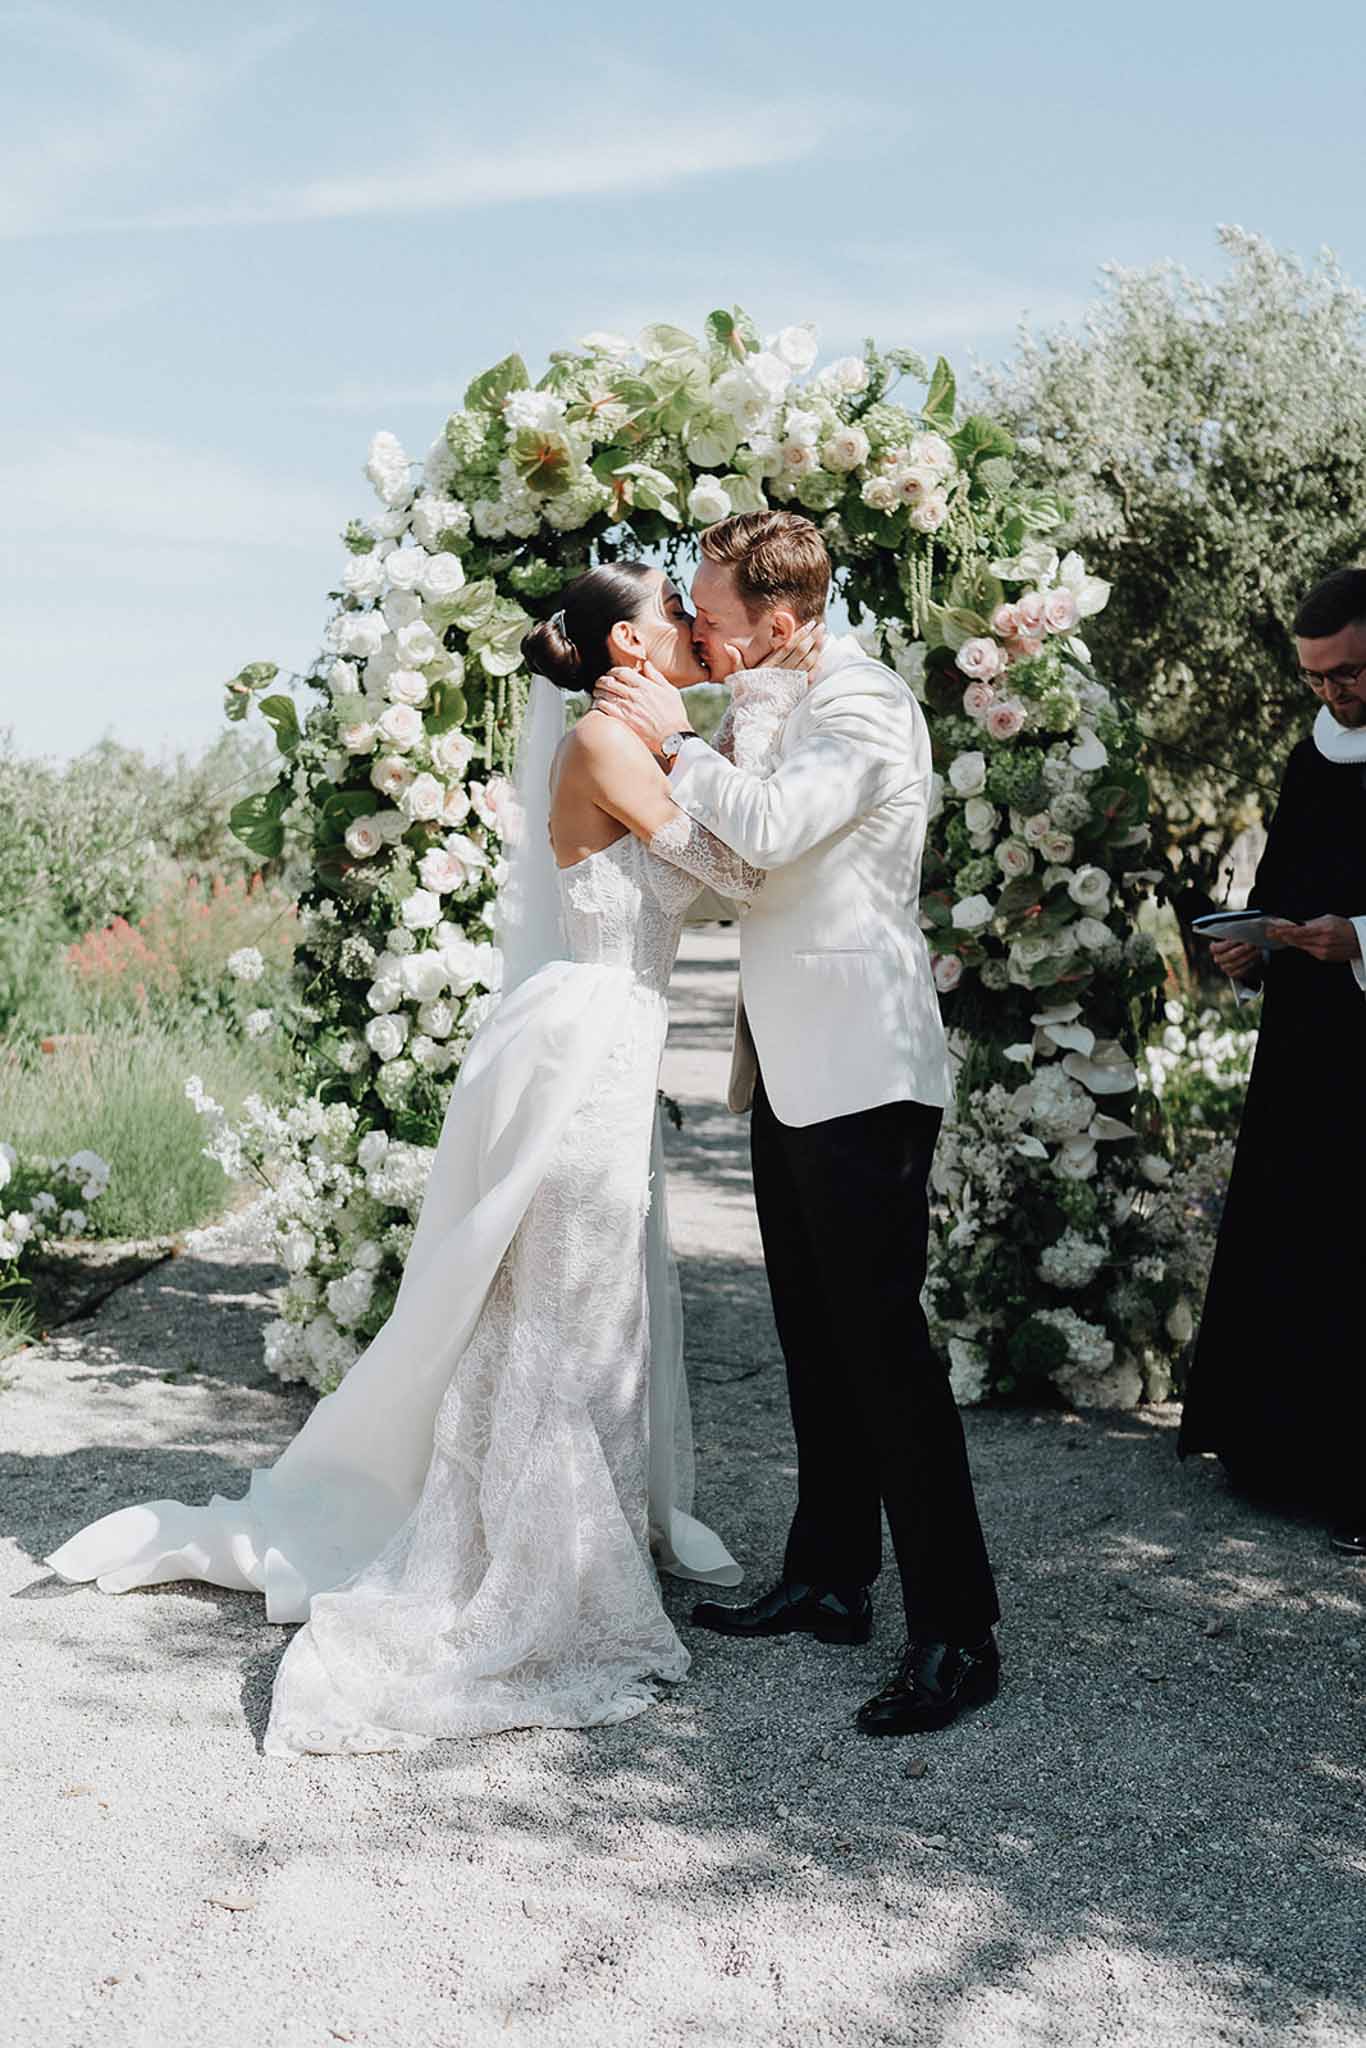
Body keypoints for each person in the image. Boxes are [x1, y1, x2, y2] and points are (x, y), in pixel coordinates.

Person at [48, 561, 784, 1753]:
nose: (696, 627)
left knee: (581, 1310)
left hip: (606, 1036)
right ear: (627, 651)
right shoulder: (610, 745)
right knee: (562, 1312)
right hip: (583, 1044)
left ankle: (570, 1545)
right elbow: (740, 874)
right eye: (673, 615)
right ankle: (550, 1579)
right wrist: (718, 736)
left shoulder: (629, 740)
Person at [596, 511, 1001, 1738]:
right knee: (813, 1339)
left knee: (885, 1350)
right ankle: (829, 1579)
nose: (703, 646)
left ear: (780, 621)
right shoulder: (778, 693)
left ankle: (958, 1633)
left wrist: (673, 743)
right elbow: (740, 863)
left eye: (713, 623)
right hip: (789, 1063)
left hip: (867, 1066)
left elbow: (762, 832)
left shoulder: (865, 705)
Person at [1181, 566, 1366, 1558]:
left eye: (1347, 674)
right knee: (1305, 1232)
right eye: (1316, 679)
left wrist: (1363, 940)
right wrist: (1252, 939)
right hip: (1306, 1044)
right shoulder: (1313, 754)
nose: (1332, 695)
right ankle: (1281, 1451)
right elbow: (1288, 877)